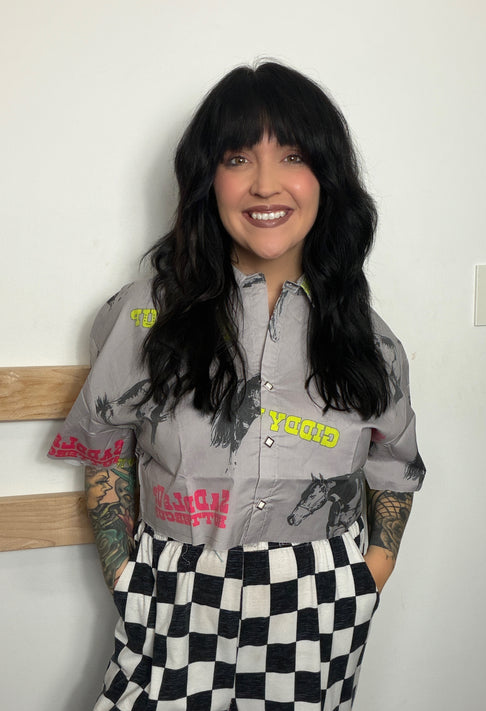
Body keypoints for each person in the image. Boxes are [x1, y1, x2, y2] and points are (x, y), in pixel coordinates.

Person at [48, 60, 425, 711]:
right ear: (208, 178)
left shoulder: (368, 337)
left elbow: (395, 467)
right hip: (175, 592)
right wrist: (126, 575)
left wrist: (371, 574)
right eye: (238, 158)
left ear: (326, 177)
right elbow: (103, 443)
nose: (265, 183)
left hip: (319, 602)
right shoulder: (144, 315)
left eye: (293, 156)